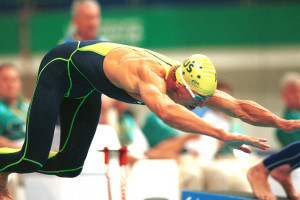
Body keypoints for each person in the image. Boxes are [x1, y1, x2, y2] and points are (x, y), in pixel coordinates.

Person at [0, 41, 299, 199]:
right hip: (59, 68)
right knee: (34, 157)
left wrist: (282, 124)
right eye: (195, 100)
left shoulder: (186, 86)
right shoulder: (148, 77)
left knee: (69, 167)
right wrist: (220, 134)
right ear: (180, 85)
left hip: (85, 85)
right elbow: (168, 114)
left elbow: (240, 107)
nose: (198, 106)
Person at [0, 64, 29, 148]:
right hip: (13, 156)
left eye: (14, 80)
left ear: (20, 83)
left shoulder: (29, 105)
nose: (10, 84)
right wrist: (23, 151)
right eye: (5, 80)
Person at [275, 72, 300, 147]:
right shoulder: (286, 123)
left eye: (299, 91)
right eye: (293, 91)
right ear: (283, 94)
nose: (297, 95)